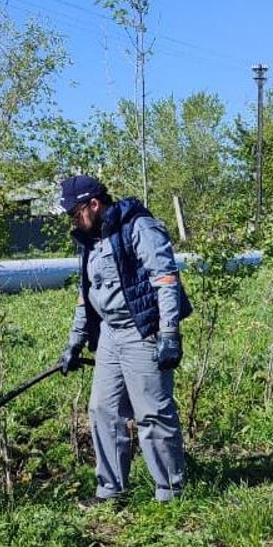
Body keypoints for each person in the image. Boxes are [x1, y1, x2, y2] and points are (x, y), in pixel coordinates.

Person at [57, 175, 192, 506]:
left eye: (74, 212)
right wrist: (75, 341)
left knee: (152, 414)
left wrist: (170, 332)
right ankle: (110, 491)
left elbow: (165, 279)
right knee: (103, 409)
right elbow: (85, 296)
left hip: (142, 330)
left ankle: (170, 494)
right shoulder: (91, 241)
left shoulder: (139, 227)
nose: (72, 220)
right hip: (109, 334)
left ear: (94, 204)